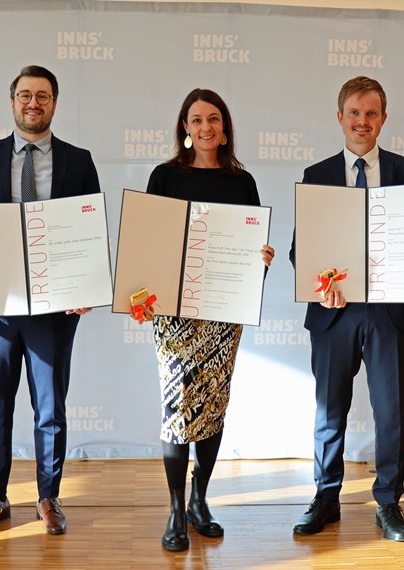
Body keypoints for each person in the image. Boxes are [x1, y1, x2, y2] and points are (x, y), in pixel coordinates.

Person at [288, 76, 404, 542]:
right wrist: (317, 286)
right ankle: (325, 497)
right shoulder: (317, 174)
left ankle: (389, 503)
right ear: (340, 117)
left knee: (389, 410)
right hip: (333, 312)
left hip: (389, 312)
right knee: (329, 409)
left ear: (383, 119)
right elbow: (303, 249)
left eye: (372, 113)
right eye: (354, 113)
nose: (363, 122)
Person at [0, 65, 100, 536]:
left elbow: (88, 233)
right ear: (12, 101)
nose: (33, 103)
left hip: (55, 310)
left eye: (42, 96)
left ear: (55, 103)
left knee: (50, 407)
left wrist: (87, 288)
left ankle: (48, 496)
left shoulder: (79, 161)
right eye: (24, 95)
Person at [146, 88, 275, 552]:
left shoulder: (242, 182)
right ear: (184, 126)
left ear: (225, 127)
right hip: (175, 313)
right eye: (197, 120)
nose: (206, 128)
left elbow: (248, 251)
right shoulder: (164, 177)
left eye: (214, 119)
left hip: (223, 311)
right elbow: (149, 242)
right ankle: (177, 510)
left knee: (212, 404)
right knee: (177, 409)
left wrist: (260, 256)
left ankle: (201, 500)